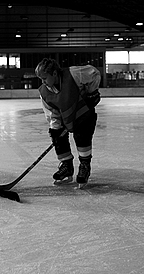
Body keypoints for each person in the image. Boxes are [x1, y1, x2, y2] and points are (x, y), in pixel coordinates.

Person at [35, 58, 101, 189]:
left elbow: (94, 73)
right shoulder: (44, 92)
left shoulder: (73, 74)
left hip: (84, 114)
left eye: (44, 78)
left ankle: (84, 166)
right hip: (67, 118)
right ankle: (66, 166)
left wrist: (91, 93)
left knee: (82, 137)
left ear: (54, 73)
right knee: (57, 136)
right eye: (41, 79)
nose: (43, 82)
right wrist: (56, 131)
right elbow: (52, 113)